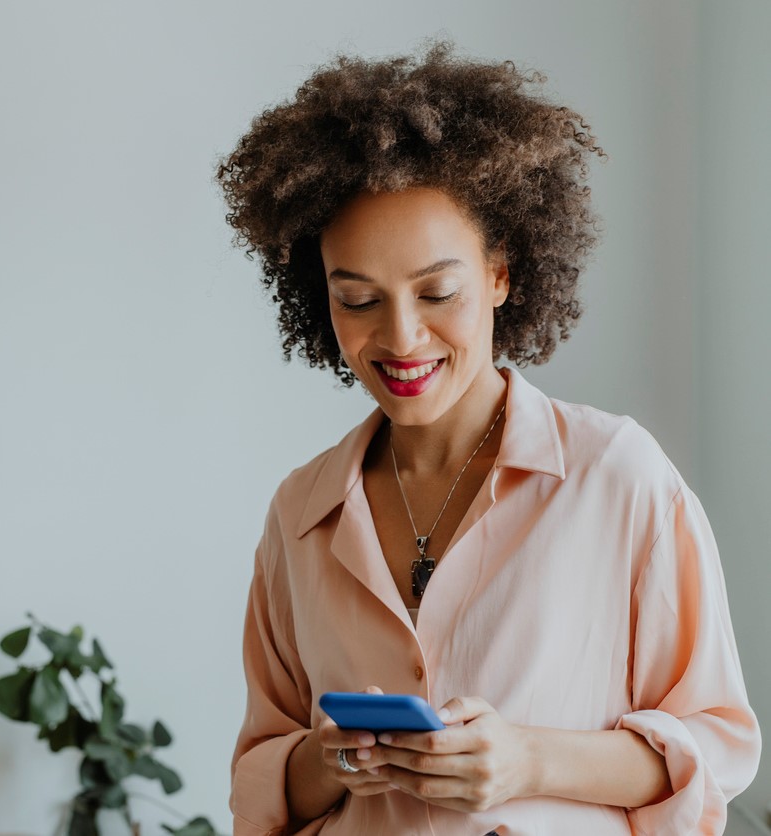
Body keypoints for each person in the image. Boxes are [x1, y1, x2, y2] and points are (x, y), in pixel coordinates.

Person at [214, 38, 762, 835]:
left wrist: (529, 762)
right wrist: (326, 756)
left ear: (501, 272)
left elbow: (714, 748)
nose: (401, 338)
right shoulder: (300, 515)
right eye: (358, 299)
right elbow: (260, 783)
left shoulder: (617, 477)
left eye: (437, 291)